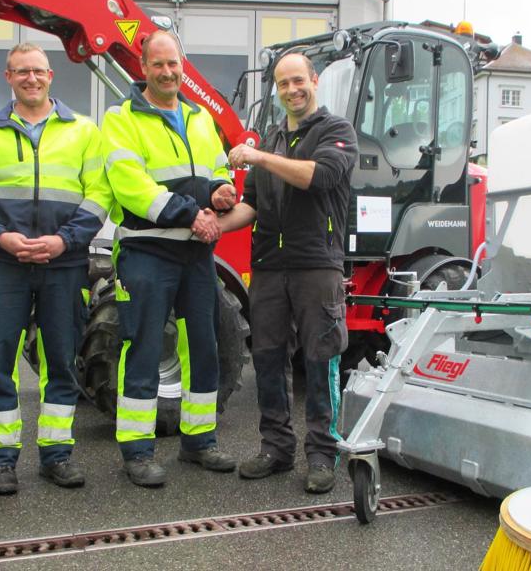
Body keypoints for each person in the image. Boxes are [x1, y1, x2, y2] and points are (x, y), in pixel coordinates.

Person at [0, 42, 110, 495]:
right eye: (21, 71)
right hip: (2, 263)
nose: (31, 78)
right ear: (8, 77)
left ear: (51, 76)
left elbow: (98, 194)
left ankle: (57, 454)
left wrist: (64, 240)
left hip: (63, 264)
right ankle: (2, 459)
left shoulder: (83, 131)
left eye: (38, 71)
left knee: (62, 360)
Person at [101, 30, 238, 487]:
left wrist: (222, 190)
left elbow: (217, 167)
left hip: (196, 255)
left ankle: (199, 441)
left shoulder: (200, 117)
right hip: (147, 251)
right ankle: (137, 451)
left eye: (173, 64)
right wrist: (190, 214)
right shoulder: (121, 119)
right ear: (143, 67)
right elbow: (131, 185)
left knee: (204, 346)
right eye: (157, 64)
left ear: (184, 65)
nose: (167, 72)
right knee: (140, 347)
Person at [221, 52, 358, 494]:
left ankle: (322, 452)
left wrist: (258, 156)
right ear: (276, 90)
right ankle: (276, 448)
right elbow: (252, 204)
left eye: (298, 81)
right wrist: (212, 226)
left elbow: (317, 177)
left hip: (317, 263)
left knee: (320, 358)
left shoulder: (337, 131)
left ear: (314, 81)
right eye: (282, 84)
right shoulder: (274, 137)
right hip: (268, 267)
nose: (291, 90)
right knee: (267, 358)